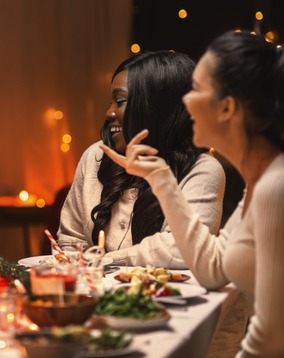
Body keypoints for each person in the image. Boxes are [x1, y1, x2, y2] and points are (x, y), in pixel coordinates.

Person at [103, 30, 284, 356]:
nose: (184, 101)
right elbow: (213, 269)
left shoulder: (275, 186)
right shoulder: (258, 184)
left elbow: (270, 339)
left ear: (227, 108)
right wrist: (162, 180)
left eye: (197, 90)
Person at [58, 51, 224, 267]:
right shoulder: (97, 156)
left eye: (120, 101)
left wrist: (105, 261)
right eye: (111, 101)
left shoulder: (202, 169)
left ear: (157, 108)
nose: (109, 113)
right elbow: (71, 240)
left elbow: (183, 250)